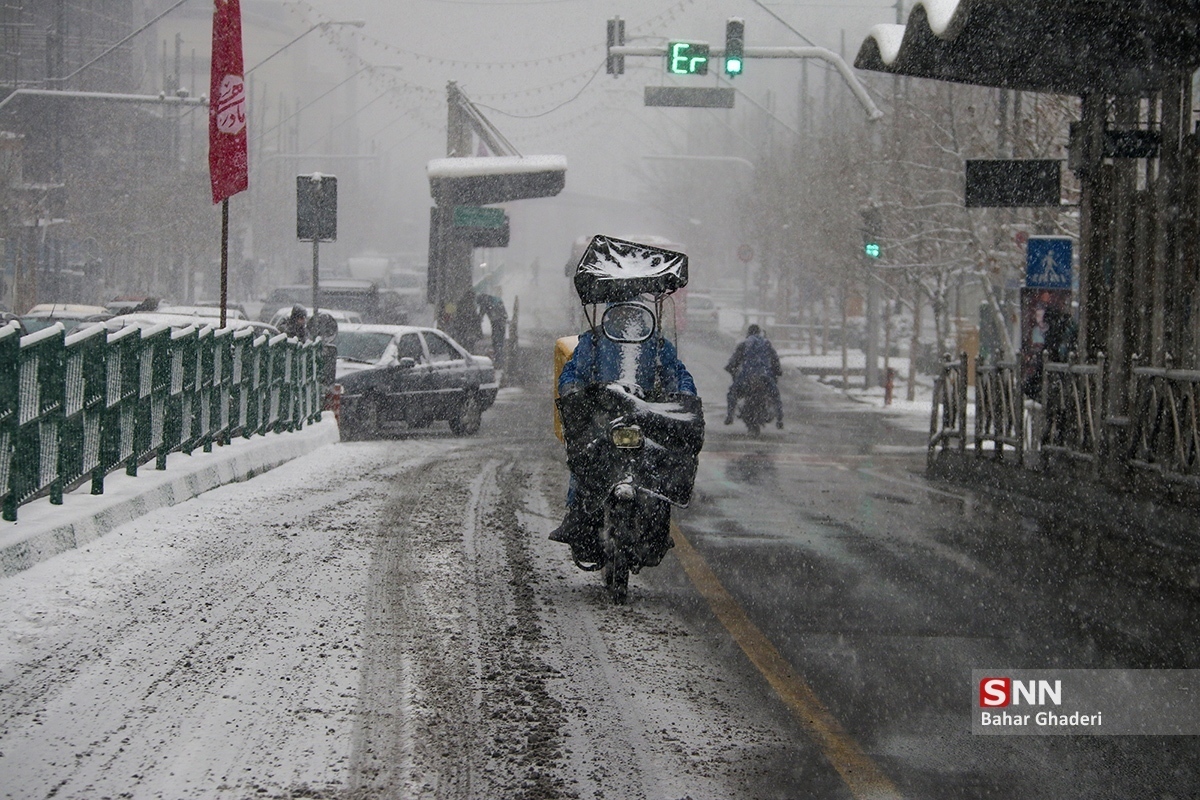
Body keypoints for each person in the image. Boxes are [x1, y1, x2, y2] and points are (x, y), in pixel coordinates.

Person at [550, 300, 697, 563]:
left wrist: (684, 393)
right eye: (621, 310)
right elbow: (573, 371)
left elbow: (677, 374)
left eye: (630, 311)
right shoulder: (593, 341)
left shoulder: (656, 344)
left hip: (645, 415)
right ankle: (577, 518)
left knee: (660, 469)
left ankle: (656, 526)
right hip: (603, 415)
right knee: (585, 462)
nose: (625, 316)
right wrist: (572, 388)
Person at [725, 324, 783, 428]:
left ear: (748, 333)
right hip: (765, 377)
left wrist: (730, 368)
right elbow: (775, 361)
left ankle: (730, 416)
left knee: (732, 393)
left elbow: (734, 362)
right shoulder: (766, 344)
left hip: (747, 377)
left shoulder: (744, 345)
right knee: (775, 395)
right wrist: (778, 371)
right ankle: (779, 420)